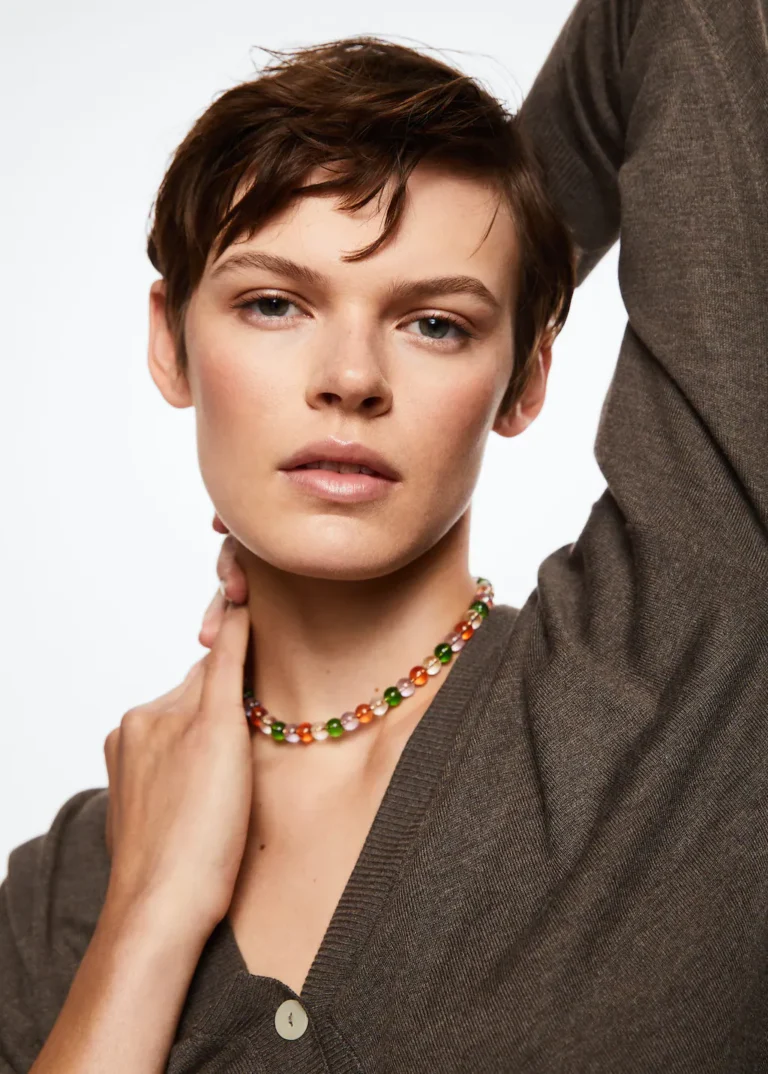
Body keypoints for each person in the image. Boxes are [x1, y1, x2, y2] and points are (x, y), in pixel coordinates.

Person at [2, 0, 767, 1068]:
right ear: (170, 345)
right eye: (274, 304)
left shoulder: (679, 659)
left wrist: (517, 250)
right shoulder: (54, 902)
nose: (352, 378)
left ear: (525, 377)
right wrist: (148, 913)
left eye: (436, 323)